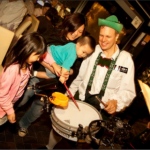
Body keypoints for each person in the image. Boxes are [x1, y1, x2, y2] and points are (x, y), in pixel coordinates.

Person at [41, 15, 136, 149]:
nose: (103, 40)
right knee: (63, 128)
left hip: (102, 110)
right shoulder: (93, 51)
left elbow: (128, 91)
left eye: (108, 37)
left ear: (117, 37)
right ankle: (49, 147)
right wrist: (69, 94)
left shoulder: (125, 60)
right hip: (80, 99)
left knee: (85, 142)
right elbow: (80, 77)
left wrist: (116, 102)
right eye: (101, 35)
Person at [17, 13, 86, 137]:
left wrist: (67, 71)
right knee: (23, 97)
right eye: (75, 28)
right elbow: (36, 53)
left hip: (52, 84)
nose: (76, 33)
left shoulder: (78, 48)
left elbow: (75, 70)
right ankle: (6, 113)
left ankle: (24, 124)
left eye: (80, 32)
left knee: (38, 109)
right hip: (37, 73)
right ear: (69, 24)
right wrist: (54, 67)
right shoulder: (53, 34)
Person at [0, 32, 47, 126]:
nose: (38, 59)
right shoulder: (12, 70)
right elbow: (2, 94)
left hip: (9, 103)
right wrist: (10, 111)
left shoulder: (28, 64)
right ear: (26, 50)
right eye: (37, 56)